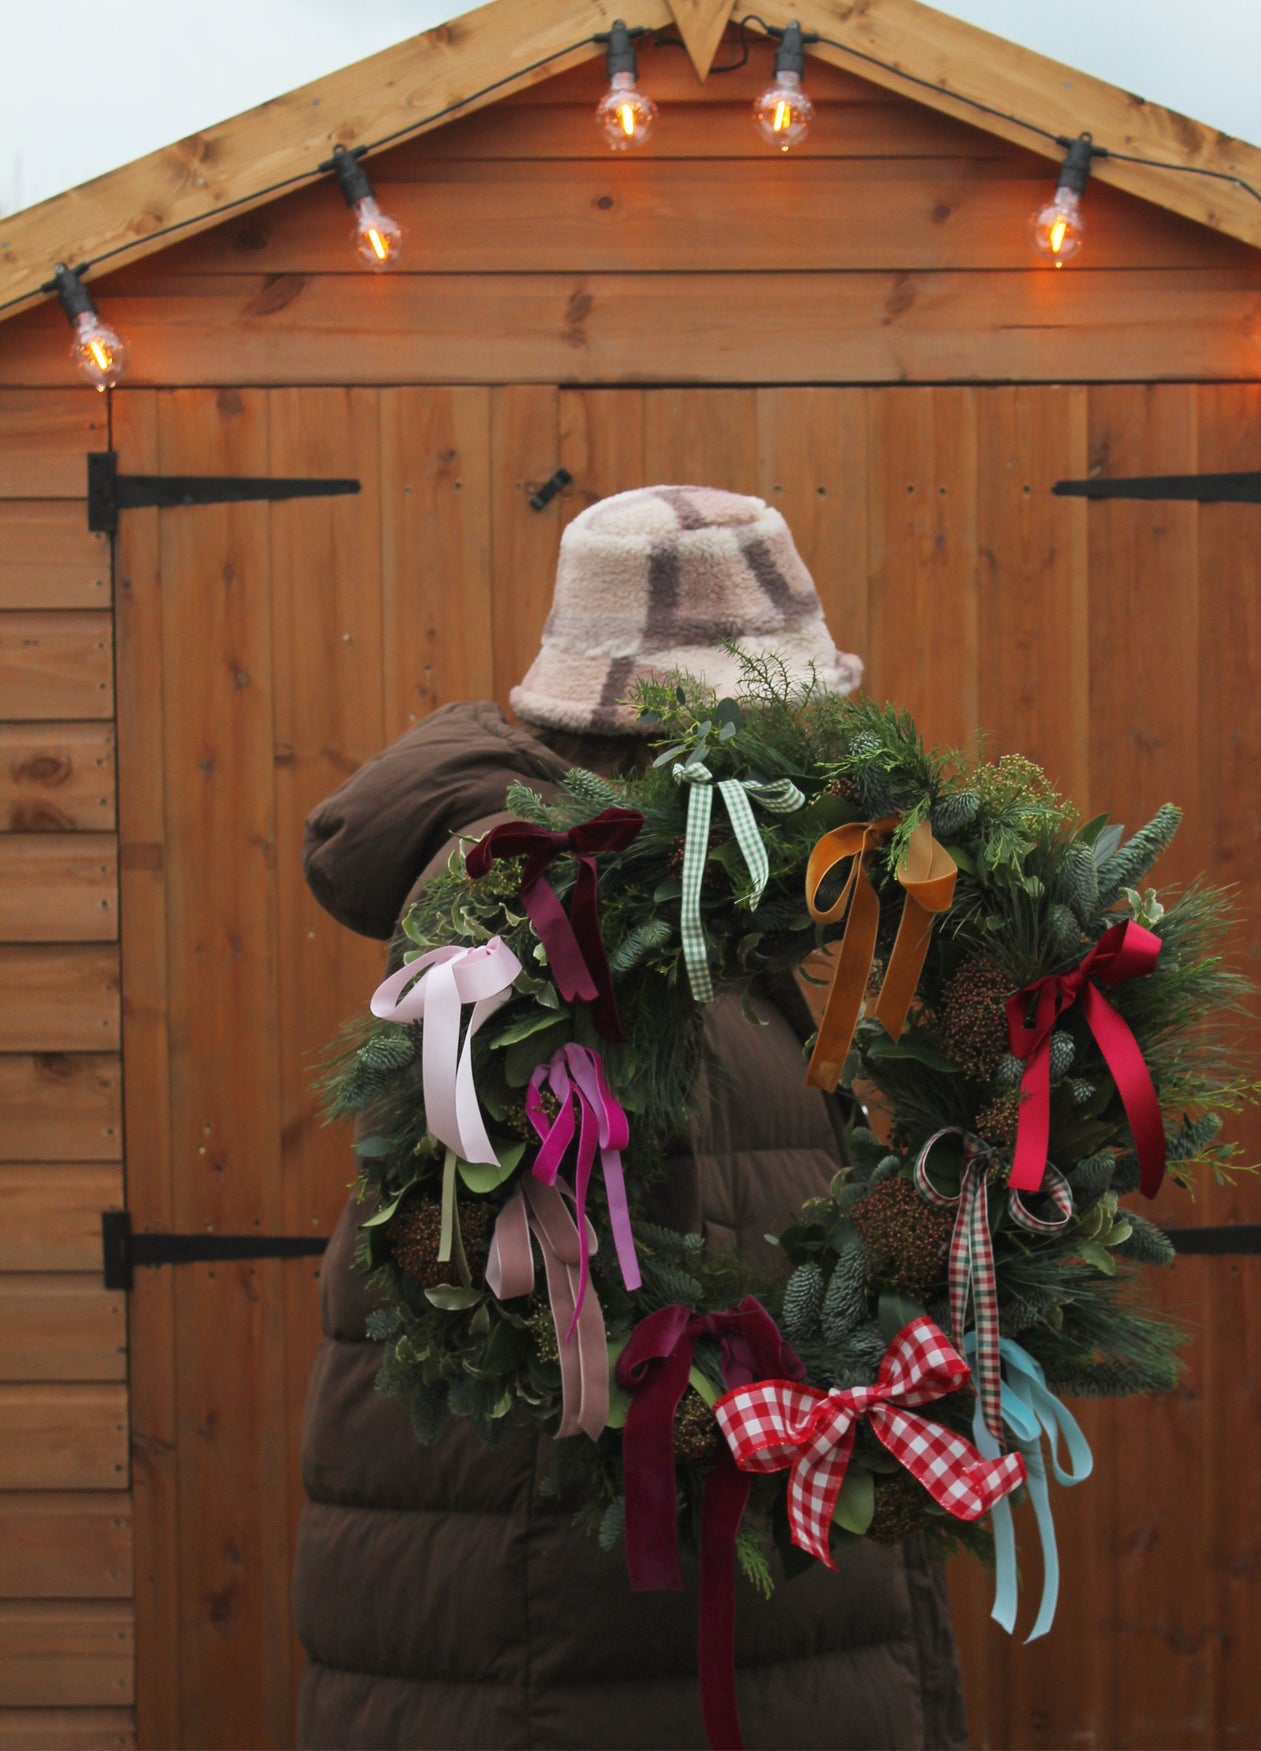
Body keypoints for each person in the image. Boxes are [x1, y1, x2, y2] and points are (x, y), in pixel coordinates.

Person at [292, 486, 966, 1749]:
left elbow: (741, 1221)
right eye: (786, 713)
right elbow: (603, 1316)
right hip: (582, 1650)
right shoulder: (558, 922)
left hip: (647, 1633)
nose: (816, 748)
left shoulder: (693, 916)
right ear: (687, 735)